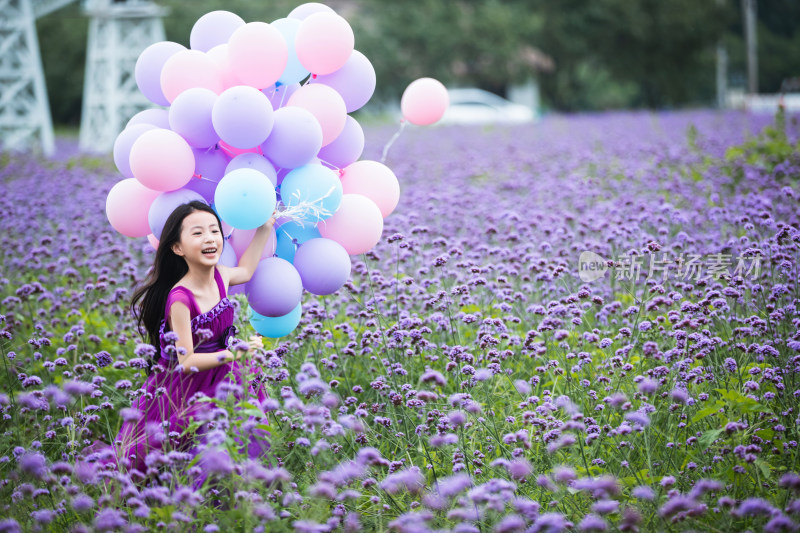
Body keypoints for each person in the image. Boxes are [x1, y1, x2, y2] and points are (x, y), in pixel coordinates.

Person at [110, 200, 275, 480]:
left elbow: (246, 271)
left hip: (222, 372)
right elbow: (186, 361)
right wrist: (238, 353)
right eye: (197, 233)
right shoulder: (180, 298)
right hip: (185, 385)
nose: (210, 238)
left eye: (214, 231)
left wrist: (263, 230)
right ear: (178, 247)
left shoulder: (221, 276)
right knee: (177, 447)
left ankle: (247, 484)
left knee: (245, 429)